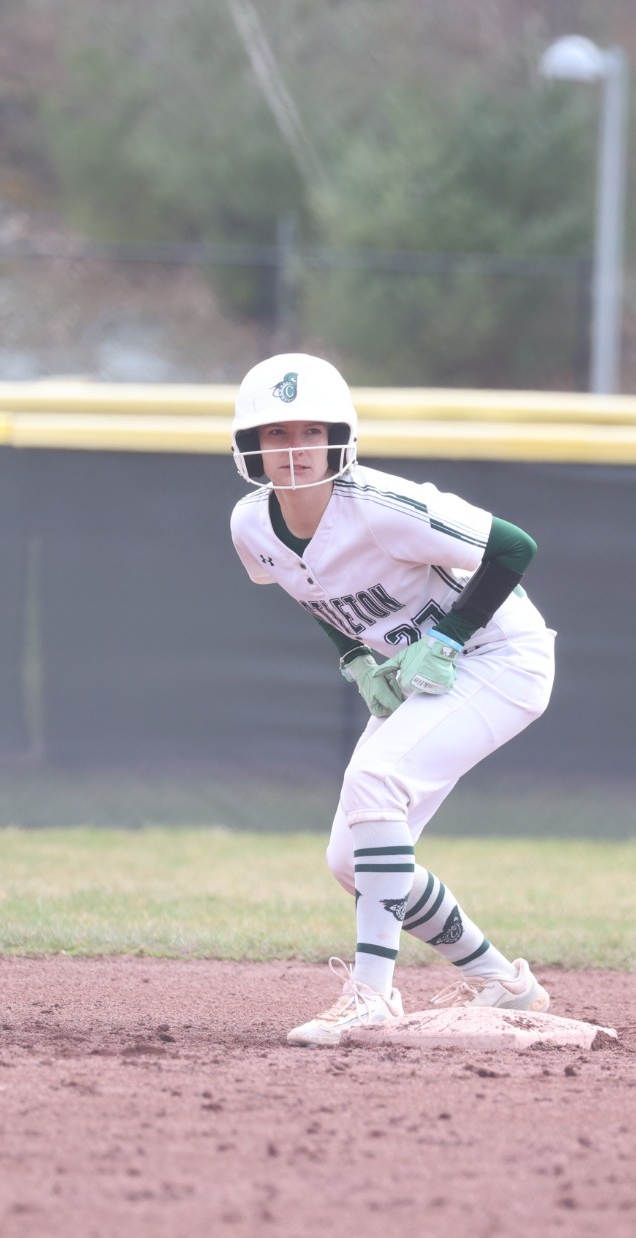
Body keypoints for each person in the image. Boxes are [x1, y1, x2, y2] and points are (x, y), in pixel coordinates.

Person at [226, 352, 559, 1047]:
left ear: (338, 437)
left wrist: (453, 635)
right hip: (437, 669)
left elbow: (516, 546)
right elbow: (309, 585)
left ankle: (371, 994)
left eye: (309, 432)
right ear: (252, 445)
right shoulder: (252, 526)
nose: (294, 450)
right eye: (277, 435)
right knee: (352, 858)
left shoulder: (381, 505)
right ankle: (504, 982)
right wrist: (352, 655)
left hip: (504, 654)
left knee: (376, 782)